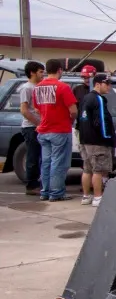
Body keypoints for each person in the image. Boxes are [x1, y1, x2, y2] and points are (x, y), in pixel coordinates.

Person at [33, 59, 78, 201]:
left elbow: (36, 109)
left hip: (43, 130)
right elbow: (73, 110)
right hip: (60, 130)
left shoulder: (38, 87)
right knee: (59, 163)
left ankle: (45, 191)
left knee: (46, 162)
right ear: (60, 70)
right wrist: (70, 120)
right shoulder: (63, 87)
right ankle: (56, 192)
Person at [77, 73, 116, 207]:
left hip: (85, 139)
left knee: (87, 169)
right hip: (97, 141)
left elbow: (80, 119)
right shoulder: (98, 99)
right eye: (107, 84)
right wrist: (108, 137)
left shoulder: (85, 98)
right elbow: (102, 121)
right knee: (98, 170)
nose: (109, 87)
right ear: (98, 84)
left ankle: (86, 196)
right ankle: (98, 197)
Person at [18, 61, 45, 195]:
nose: (43, 74)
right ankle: (31, 186)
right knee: (33, 156)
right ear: (32, 72)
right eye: (40, 72)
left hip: (41, 126)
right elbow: (24, 110)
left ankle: (40, 182)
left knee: (40, 156)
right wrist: (38, 123)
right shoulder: (27, 88)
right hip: (31, 128)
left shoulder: (40, 86)